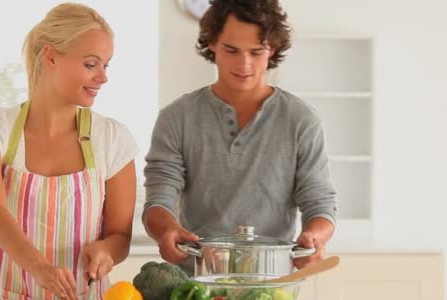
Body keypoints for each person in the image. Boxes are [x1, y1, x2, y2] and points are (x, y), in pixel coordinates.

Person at [143, 0, 337, 275]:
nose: (244, 64)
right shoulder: (177, 118)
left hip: (271, 286)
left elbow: (319, 201)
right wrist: (167, 229)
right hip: (194, 286)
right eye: (231, 50)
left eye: (256, 52)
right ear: (211, 43)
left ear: (273, 48)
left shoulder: (301, 120)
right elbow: (159, 198)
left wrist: (315, 237)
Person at [0, 3, 137, 300]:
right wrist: (40, 268)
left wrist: (106, 251)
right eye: (90, 64)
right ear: (51, 56)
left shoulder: (112, 138)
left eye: (106, 65)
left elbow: (120, 235)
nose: (102, 77)